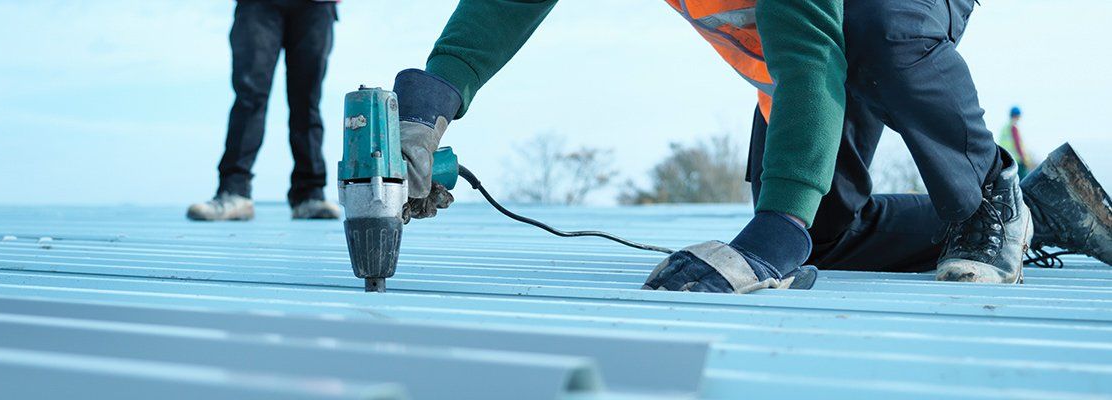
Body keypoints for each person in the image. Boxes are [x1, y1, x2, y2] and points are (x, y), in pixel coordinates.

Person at [393, 0, 1112, 293]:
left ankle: (989, 202)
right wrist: (437, 94)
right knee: (823, 235)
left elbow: (810, 58)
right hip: (824, 32)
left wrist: (777, 226)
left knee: (882, 29)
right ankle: (1042, 214)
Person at [188, 0, 342, 222]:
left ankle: (310, 195)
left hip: (316, 6)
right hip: (257, 5)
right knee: (250, 96)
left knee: (307, 101)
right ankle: (234, 191)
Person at [998, 106, 1036, 177]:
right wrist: (1024, 159)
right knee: (1023, 180)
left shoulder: (1005, 127)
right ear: (1018, 116)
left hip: (1005, 159)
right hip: (1016, 160)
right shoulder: (1013, 127)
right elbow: (1017, 145)